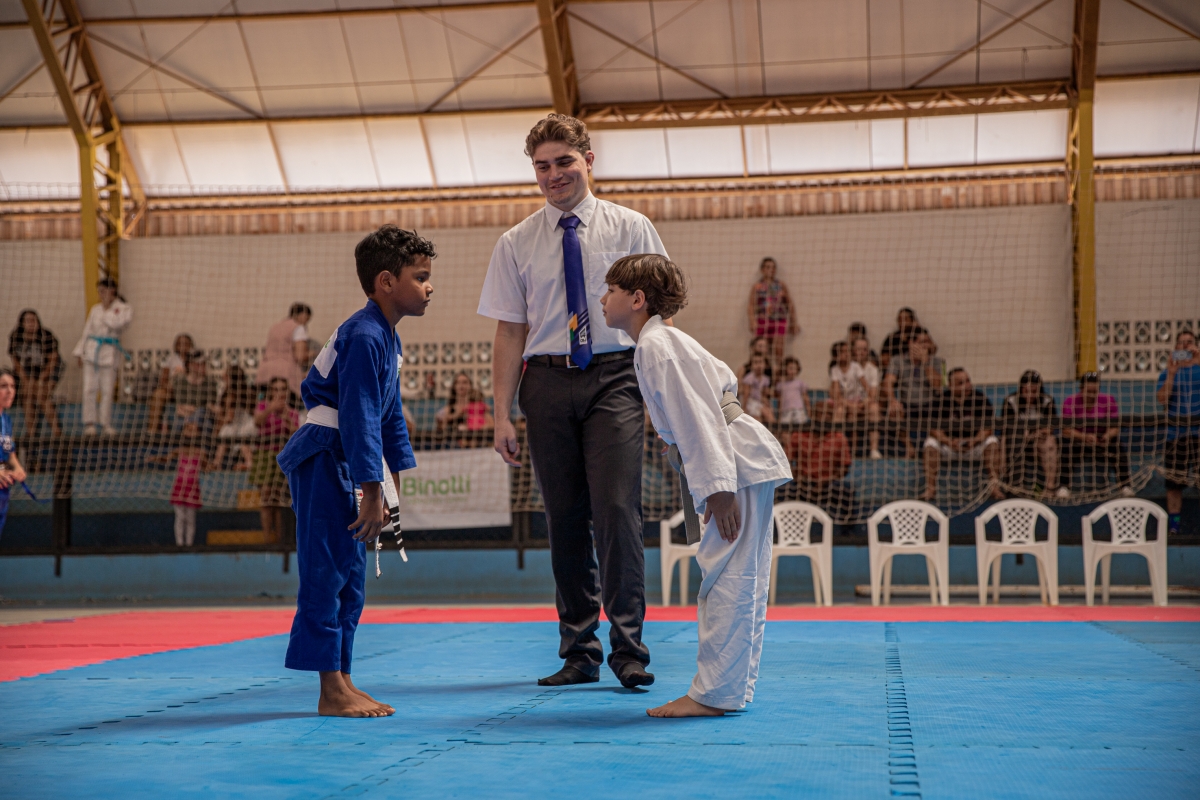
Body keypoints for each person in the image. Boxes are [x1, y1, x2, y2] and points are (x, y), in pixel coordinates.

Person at [479, 113, 666, 689]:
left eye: (564, 161)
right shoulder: (515, 242)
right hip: (546, 381)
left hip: (616, 376)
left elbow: (657, 318)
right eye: (542, 166)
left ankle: (629, 651)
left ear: (589, 160)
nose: (554, 174)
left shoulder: (631, 227)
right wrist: (500, 413)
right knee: (563, 518)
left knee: (616, 510)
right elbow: (510, 330)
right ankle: (579, 651)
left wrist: (663, 396)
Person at [600, 254, 791, 717]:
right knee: (742, 578)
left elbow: (698, 420)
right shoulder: (660, 343)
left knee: (726, 578)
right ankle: (731, 689)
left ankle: (713, 694)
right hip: (738, 457)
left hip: (732, 462)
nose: (602, 299)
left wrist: (718, 490)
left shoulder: (657, 346)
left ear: (637, 299)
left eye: (610, 291)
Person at [276, 225, 431, 718]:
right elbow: (360, 415)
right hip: (324, 455)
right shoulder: (365, 334)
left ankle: (342, 676)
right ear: (386, 282)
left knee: (351, 575)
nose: (429, 287)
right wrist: (372, 490)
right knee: (326, 571)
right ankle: (329, 688)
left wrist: (392, 485)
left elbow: (389, 418)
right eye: (420, 277)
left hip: (346, 458)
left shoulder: (386, 335)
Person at [922, 368, 1001, 502]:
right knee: (930, 443)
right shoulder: (940, 401)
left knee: (992, 442)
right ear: (951, 386)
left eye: (968, 381)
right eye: (961, 383)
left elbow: (988, 428)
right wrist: (948, 442)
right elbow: (933, 429)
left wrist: (974, 440)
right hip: (949, 447)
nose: (967, 385)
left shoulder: (980, 398)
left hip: (973, 446)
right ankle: (930, 489)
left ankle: (994, 487)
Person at [73, 278, 132, 436]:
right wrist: (80, 352)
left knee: (107, 390)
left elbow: (116, 324)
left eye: (104, 291)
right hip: (92, 350)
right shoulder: (95, 309)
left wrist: (107, 308)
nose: (101, 294)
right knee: (89, 388)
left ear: (113, 291)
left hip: (110, 351)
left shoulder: (124, 308)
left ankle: (106, 424)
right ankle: (89, 423)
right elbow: (87, 331)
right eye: (99, 291)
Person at [1157, 330, 1200, 535]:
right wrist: (1172, 373)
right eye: (1181, 343)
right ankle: (1174, 527)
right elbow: (1162, 399)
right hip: (1176, 435)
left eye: (1189, 343)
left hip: (1198, 434)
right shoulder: (1168, 372)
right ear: (1175, 347)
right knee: (1174, 484)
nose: (1185, 346)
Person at [1061, 372, 1132, 496]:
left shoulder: (1108, 400)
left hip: (1101, 440)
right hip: (1079, 440)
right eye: (1089, 391)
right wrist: (1084, 437)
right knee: (1065, 445)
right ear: (1081, 389)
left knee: (1117, 445)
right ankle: (1063, 486)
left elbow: (1115, 427)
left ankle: (1125, 486)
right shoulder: (1070, 401)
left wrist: (1106, 437)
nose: (1092, 395)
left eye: (1095, 392)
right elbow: (1066, 430)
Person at [1001, 370, 1067, 499]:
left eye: (1034, 391)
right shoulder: (1011, 401)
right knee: (1013, 441)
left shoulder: (1047, 401)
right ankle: (1015, 488)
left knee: (1050, 442)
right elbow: (1005, 431)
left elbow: (1050, 428)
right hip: (1016, 441)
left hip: (1039, 440)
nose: (1030, 395)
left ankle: (1050, 487)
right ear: (1021, 389)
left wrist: (1035, 434)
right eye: (1027, 391)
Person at [882, 327, 944, 458]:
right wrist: (892, 400)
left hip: (931, 404)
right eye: (922, 342)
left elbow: (938, 386)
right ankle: (909, 448)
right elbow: (888, 382)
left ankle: (932, 448)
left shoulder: (938, 361)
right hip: (908, 404)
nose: (926, 345)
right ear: (911, 343)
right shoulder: (897, 360)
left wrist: (926, 362)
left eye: (928, 342)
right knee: (894, 412)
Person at [251, 377, 299, 543]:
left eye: (283, 389)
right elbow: (257, 422)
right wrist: (270, 409)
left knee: (279, 499)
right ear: (270, 391)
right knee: (266, 497)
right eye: (276, 389)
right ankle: (266, 539)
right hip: (265, 454)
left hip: (283, 455)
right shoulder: (262, 406)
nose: (279, 392)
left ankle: (279, 541)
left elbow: (296, 433)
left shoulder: (292, 412)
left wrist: (286, 417)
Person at [792, 400, 855, 523]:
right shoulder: (798, 434)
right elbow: (786, 462)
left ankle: (847, 530)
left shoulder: (839, 438)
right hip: (802, 481)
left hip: (829, 482)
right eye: (822, 413)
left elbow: (845, 468)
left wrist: (826, 480)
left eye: (829, 414)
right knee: (781, 489)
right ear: (813, 415)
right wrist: (798, 477)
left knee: (846, 489)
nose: (826, 417)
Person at [8, 310, 62, 437]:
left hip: (49, 370)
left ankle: (57, 433)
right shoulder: (16, 336)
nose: (31, 323)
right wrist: (26, 381)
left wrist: (41, 380)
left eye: (34, 320)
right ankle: (31, 433)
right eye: (28, 321)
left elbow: (53, 361)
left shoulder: (46, 336)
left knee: (41, 394)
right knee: (26, 395)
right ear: (22, 323)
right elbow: (16, 362)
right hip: (28, 372)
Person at [154, 420, 206, 546]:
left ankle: (189, 544)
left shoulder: (201, 452)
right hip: (180, 487)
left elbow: (206, 467)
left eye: (194, 430)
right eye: (188, 429)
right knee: (180, 517)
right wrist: (156, 458)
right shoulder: (179, 450)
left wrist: (212, 465)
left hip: (193, 488)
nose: (191, 432)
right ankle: (179, 544)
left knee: (190, 518)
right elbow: (166, 459)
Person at [746, 257, 796, 373]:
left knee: (778, 350)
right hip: (762, 321)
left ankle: (779, 374)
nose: (771, 270)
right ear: (762, 269)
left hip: (779, 321)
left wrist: (793, 322)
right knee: (761, 349)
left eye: (773, 267)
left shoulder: (781, 285)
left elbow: (789, 303)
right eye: (768, 267)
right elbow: (751, 305)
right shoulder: (757, 286)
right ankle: (761, 373)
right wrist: (752, 321)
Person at [258, 302, 313, 398]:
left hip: (265, 373)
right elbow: (300, 356)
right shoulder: (298, 328)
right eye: (307, 319)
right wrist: (311, 354)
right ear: (302, 315)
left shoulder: (275, 326)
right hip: (286, 376)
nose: (306, 323)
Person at [0, 370, 28, 541]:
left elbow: (9, 454)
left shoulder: (6, 420)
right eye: (4, 386)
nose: (10, 391)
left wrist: (17, 468)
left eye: (13, 386)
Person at [147, 333, 194, 433]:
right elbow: (163, 380)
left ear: (191, 345)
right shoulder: (171, 359)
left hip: (189, 390)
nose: (183, 346)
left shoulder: (194, 359)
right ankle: (152, 431)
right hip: (173, 390)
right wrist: (169, 387)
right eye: (180, 343)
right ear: (176, 345)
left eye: (186, 344)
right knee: (158, 394)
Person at [213, 364, 256, 471]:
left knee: (232, 434)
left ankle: (248, 463)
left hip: (244, 425)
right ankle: (217, 463)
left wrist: (219, 424)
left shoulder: (231, 395)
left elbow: (229, 418)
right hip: (242, 424)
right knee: (227, 432)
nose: (223, 377)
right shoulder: (247, 391)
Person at [435, 372, 494, 446]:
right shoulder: (449, 409)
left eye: (465, 382)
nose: (461, 385)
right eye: (458, 382)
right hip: (454, 446)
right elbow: (440, 425)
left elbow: (491, 425)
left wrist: (478, 426)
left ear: (470, 386)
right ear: (454, 386)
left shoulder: (478, 406)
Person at [172, 350, 219, 430]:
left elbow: (210, 406)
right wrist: (195, 409)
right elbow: (180, 407)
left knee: (203, 416)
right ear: (190, 365)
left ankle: (191, 429)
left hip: (203, 418)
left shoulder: (210, 382)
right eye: (199, 364)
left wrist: (196, 409)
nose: (203, 366)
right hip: (183, 416)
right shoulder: (180, 381)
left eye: (204, 363)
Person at [853, 338, 883, 459]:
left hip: (866, 404)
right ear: (853, 350)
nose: (861, 352)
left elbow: (873, 394)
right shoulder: (847, 367)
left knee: (874, 408)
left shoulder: (873, 369)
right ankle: (852, 452)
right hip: (850, 404)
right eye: (858, 349)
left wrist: (862, 404)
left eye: (864, 349)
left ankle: (874, 450)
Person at [739, 353, 775, 424]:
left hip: (759, 402)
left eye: (760, 362)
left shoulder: (765, 379)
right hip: (750, 402)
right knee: (758, 419)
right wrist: (744, 408)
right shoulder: (749, 378)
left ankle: (773, 427)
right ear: (751, 365)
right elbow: (746, 393)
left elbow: (764, 394)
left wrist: (766, 401)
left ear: (765, 364)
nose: (758, 365)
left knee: (769, 416)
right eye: (755, 362)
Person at [775, 357, 809, 425]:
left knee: (800, 426)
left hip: (798, 410)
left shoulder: (800, 383)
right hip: (786, 411)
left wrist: (808, 411)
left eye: (794, 369)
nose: (793, 371)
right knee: (784, 426)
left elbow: (805, 397)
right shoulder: (781, 384)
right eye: (790, 368)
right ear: (785, 369)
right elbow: (780, 400)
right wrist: (779, 415)